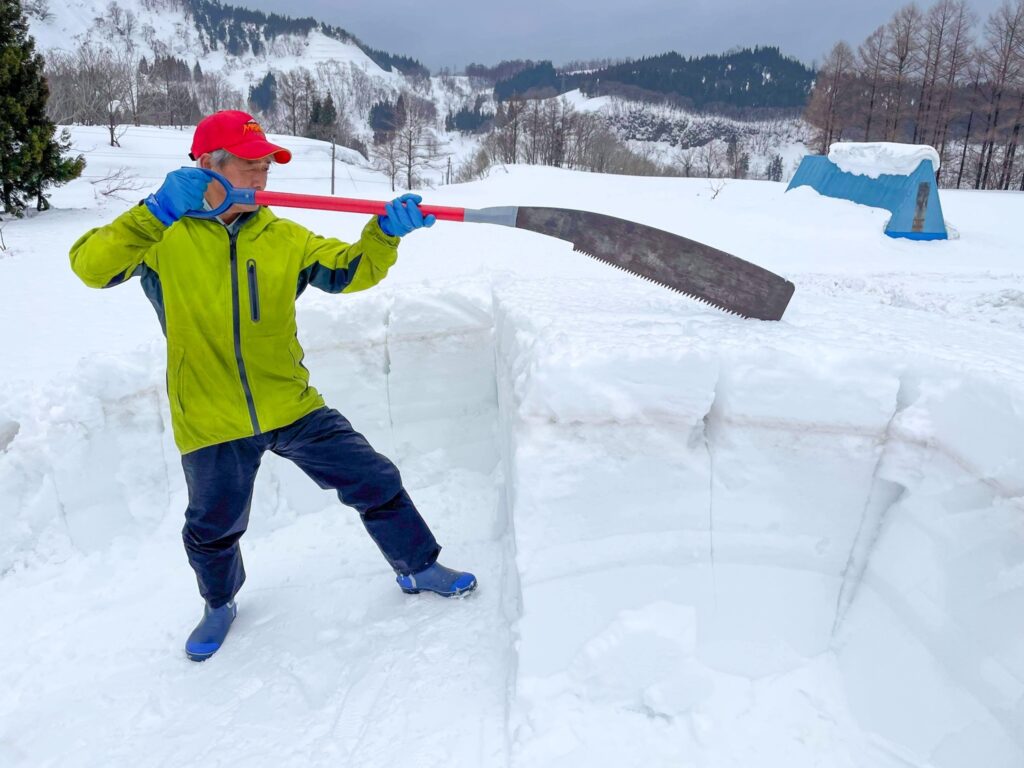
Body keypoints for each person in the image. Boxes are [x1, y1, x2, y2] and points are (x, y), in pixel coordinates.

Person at [69, 110, 476, 662]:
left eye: (266, 166)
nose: (261, 178)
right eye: (248, 165)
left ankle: (417, 566)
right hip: (211, 416)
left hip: (290, 403)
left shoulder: (282, 234)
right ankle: (218, 603)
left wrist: (382, 235)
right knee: (213, 526)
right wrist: (155, 212)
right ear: (207, 166)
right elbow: (90, 268)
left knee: (374, 478)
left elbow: (348, 270)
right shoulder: (162, 235)